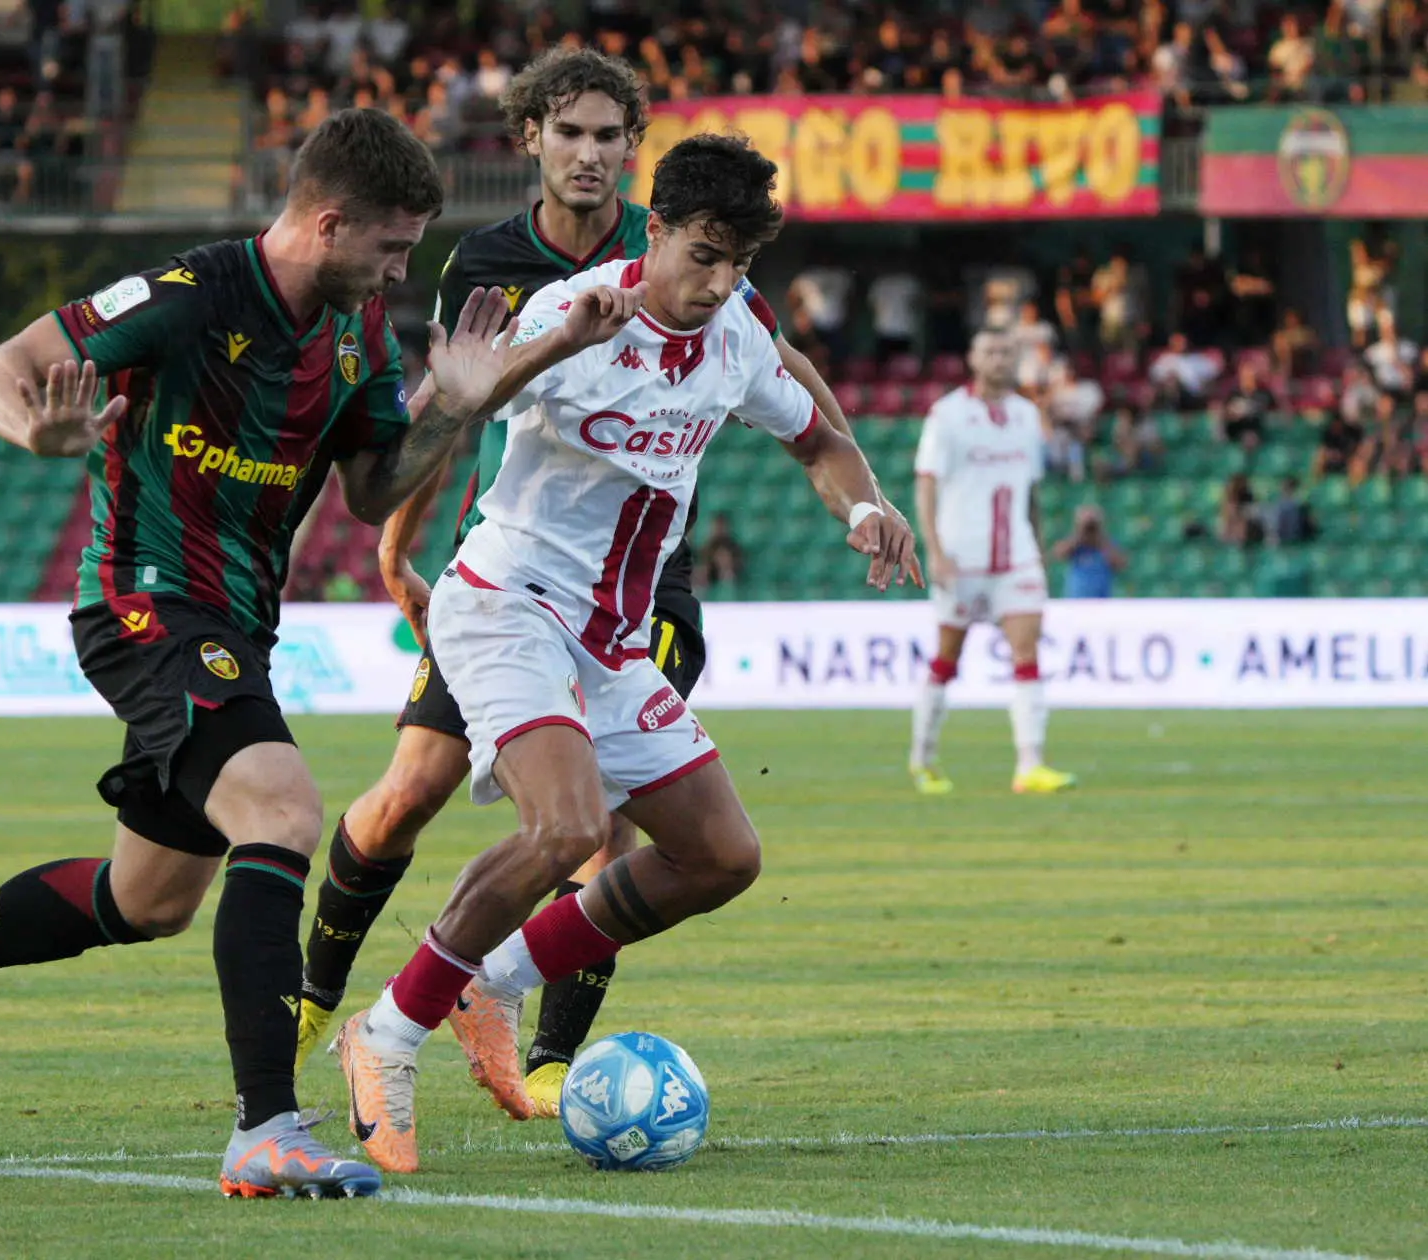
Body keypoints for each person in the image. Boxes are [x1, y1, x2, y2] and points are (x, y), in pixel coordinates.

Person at [0, 108, 516, 1201]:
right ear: (331, 221)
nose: (401, 271)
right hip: (144, 600)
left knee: (147, 900)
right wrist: (41, 432)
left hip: (237, 622)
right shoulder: (190, 295)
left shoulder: (355, 338)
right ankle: (265, 1127)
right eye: (390, 247)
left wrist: (458, 412)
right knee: (284, 811)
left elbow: (376, 486)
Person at [291, 50, 882, 1119]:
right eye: (701, 257)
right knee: (555, 828)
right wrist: (539, 352)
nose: (714, 283)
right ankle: (385, 1035)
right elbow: (432, 435)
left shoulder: (737, 329)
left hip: (616, 632)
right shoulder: (569, 309)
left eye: (733, 264)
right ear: (655, 231)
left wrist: (866, 509)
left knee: (721, 856)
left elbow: (820, 437)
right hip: (507, 599)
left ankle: (496, 986)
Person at [910, 330, 1076, 797]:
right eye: (990, 351)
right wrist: (936, 551)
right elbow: (927, 487)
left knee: (1028, 657)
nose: (999, 358)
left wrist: (1038, 549)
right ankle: (923, 760)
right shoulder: (947, 415)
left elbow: (1033, 492)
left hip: (1017, 558)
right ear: (972, 357)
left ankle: (1031, 766)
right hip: (962, 558)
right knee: (947, 659)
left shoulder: (1027, 416)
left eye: (1006, 351)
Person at [1053, 505, 1125, 597]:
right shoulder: (1076, 544)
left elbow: (1120, 563)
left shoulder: (1107, 544)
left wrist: (1099, 538)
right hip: (1077, 599)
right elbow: (1059, 554)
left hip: (1102, 599)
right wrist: (1080, 534)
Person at [1210, 360, 1275, 452]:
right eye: (1242, 375)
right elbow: (1227, 412)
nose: (1245, 378)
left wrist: (1245, 410)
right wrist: (1231, 413)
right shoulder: (1234, 394)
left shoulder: (1262, 394)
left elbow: (1267, 412)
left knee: (1250, 437)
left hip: (1256, 432)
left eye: (1248, 375)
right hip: (1236, 432)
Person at [1149, 332, 1219, 411]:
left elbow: (1212, 373)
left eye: (1180, 342)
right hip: (1174, 396)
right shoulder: (1165, 359)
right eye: (1175, 342)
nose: (1178, 345)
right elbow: (1156, 376)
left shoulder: (1197, 359)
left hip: (1197, 395)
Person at [696, 512, 747, 589]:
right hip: (711, 581)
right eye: (717, 525)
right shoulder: (708, 547)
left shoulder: (734, 547)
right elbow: (704, 564)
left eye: (721, 526)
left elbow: (740, 566)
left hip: (731, 581)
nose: (719, 529)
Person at [1268, 476, 1318, 545]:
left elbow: (1312, 528)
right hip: (1283, 543)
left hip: (1299, 542)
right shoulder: (1277, 506)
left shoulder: (1302, 506)